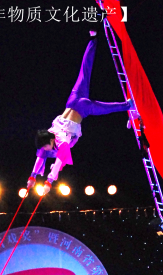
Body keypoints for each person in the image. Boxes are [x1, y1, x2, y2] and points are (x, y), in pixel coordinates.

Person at [28, 30, 133, 195]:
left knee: (106, 108)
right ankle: (93, 38)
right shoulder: (49, 133)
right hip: (72, 100)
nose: (46, 150)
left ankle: (128, 105)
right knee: (84, 71)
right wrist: (32, 177)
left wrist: (49, 180)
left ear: (50, 141)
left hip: (82, 108)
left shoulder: (61, 142)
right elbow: (40, 155)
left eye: (46, 146)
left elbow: (57, 161)